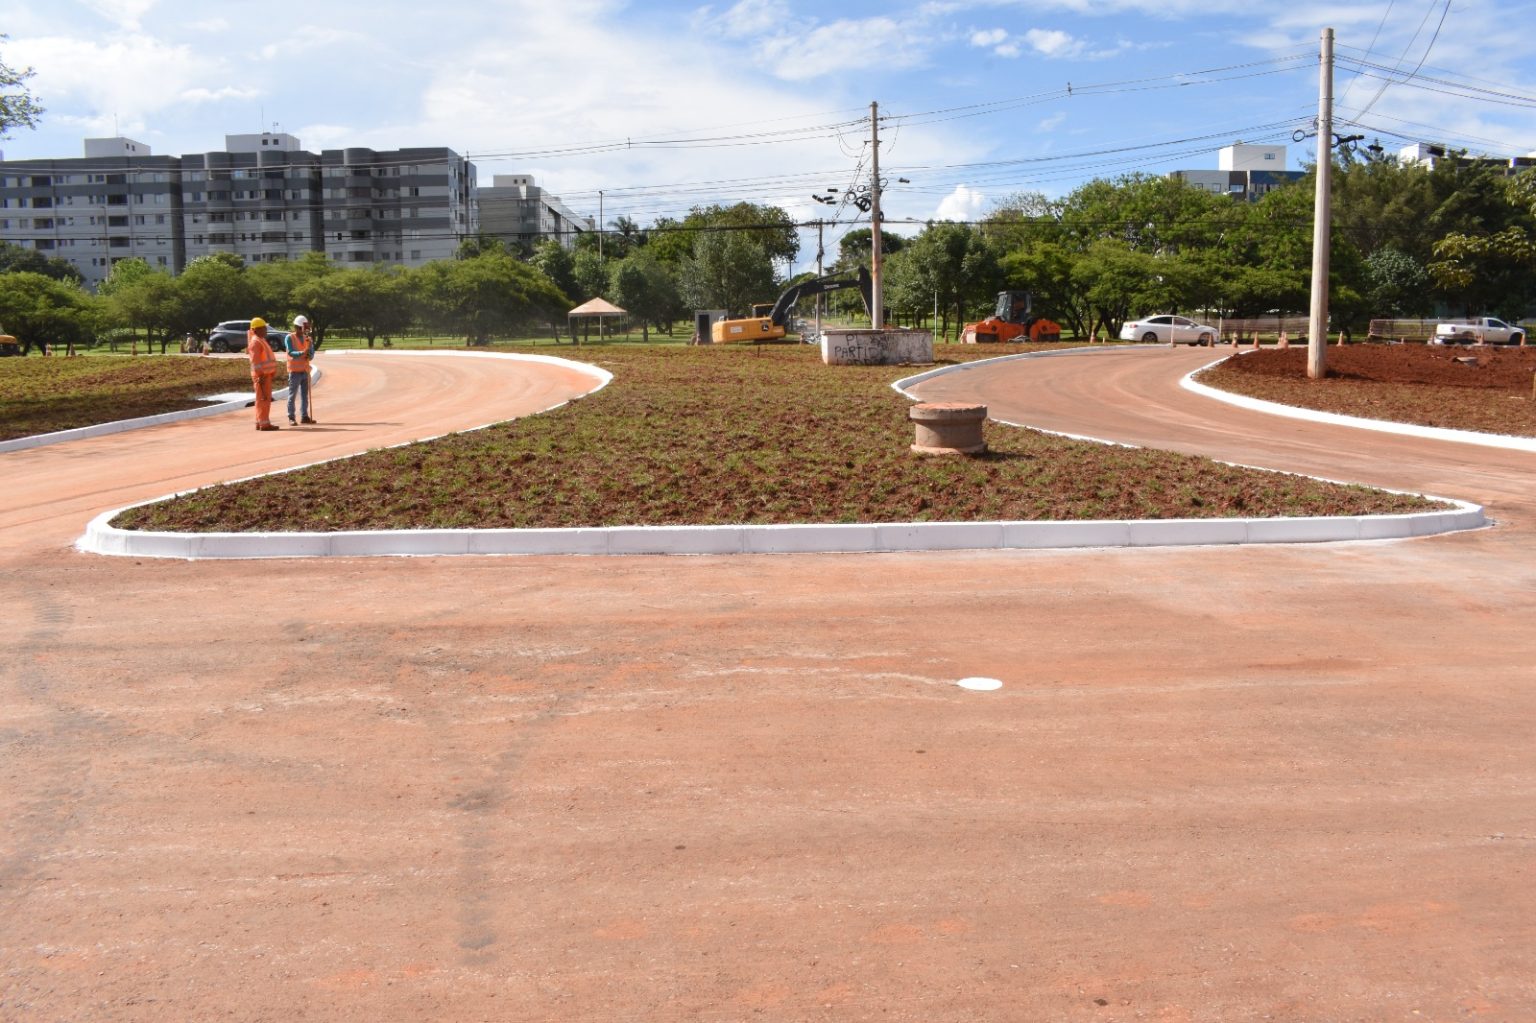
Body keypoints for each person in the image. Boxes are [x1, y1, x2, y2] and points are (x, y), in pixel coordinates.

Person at [246, 317, 280, 431]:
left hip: (265, 375)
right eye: (263, 328)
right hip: (262, 376)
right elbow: (255, 362)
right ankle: (264, 424)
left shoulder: (260, 340)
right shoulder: (256, 342)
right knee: (263, 400)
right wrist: (260, 375)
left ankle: (259, 422)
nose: (266, 330)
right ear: (256, 330)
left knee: (262, 400)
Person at [284, 314, 318, 425]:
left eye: (304, 329)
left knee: (305, 395)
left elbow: (312, 354)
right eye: (300, 328)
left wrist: (310, 355)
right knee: (292, 395)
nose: (302, 331)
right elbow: (291, 352)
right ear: (296, 327)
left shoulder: (308, 339)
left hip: (305, 370)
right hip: (294, 371)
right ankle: (291, 417)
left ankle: (304, 416)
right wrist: (302, 353)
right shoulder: (289, 338)